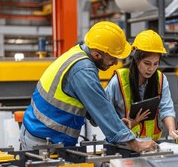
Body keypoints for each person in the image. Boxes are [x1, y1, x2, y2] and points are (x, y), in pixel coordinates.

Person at [19, 21, 157, 152]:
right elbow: (101, 108)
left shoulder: (78, 54)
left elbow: (94, 108)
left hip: (44, 135)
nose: (115, 62)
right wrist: (135, 144)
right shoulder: (83, 71)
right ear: (97, 55)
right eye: (113, 57)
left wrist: (118, 125)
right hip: (43, 141)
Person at [105, 30, 178, 142]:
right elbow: (104, 114)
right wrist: (128, 124)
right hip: (123, 144)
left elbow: (166, 108)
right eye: (147, 63)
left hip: (151, 145)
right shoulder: (118, 81)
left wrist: (172, 130)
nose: (151, 69)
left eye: (156, 64)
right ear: (137, 60)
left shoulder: (161, 80)